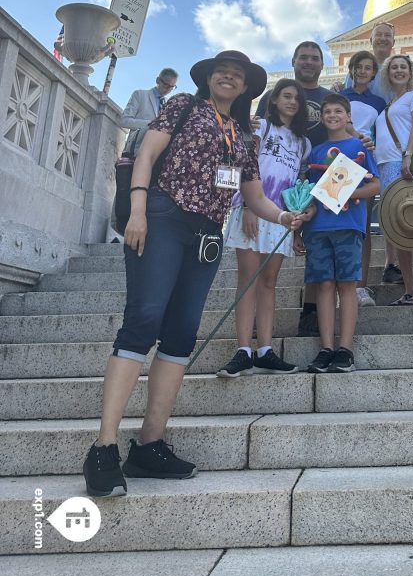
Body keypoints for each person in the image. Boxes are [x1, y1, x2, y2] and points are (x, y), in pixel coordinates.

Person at [82, 51, 306, 498]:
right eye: (223, 70)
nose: (229, 77)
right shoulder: (184, 105)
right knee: (144, 319)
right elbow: (147, 153)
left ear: (245, 88)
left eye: (238, 75)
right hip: (164, 217)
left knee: (182, 333)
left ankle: (150, 443)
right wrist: (139, 211)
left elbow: (254, 195)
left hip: (207, 235)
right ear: (208, 78)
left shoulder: (243, 137)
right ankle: (103, 447)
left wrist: (283, 218)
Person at [218, 79, 311, 376]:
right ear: (273, 100)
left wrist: (296, 228)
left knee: (269, 282)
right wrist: (246, 205)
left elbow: (297, 185)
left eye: (297, 98)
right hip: (252, 207)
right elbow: (242, 164)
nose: (292, 102)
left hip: (281, 214)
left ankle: (265, 349)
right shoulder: (260, 127)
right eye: (286, 96)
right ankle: (243, 349)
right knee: (247, 278)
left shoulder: (303, 143)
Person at [299, 94, 379, 373]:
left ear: (348, 117)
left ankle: (345, 348)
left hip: (348, 225)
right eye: (327, 112)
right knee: (323, 285)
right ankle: (325, 347)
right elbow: (309, 192)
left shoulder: (358, 145)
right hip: (319, 226)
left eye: (338, 111)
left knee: (346, 285)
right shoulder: (316, 151)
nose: (332, 115)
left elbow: (376, 184)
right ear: (322, 118)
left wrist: (349, 192)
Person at [258, 41, 330, 337]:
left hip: (317, 172)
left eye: (315, 58)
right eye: (304, 58)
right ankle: (254, 317)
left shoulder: (328, 96)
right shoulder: (271, 96)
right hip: (276, 181)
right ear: (293, 60)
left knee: (317, 247)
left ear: (322, 64)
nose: (309, 62)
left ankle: (310, 312)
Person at [374, 54, 413, 305]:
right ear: (388, 74)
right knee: (399, 228)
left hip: (407, 162)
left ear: (411, 72)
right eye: (394, 67)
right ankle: (409, 290)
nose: (398, 71)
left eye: (403, 67)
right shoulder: (389, 104)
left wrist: (408, 155)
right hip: (387, 166)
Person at [345, 51, 387, 306]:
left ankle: (361, 286)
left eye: (367, 68)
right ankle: (341, 284)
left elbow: (382, 132)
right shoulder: (339, 96)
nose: (362, 71)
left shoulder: (379, 102)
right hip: (340, 159)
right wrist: (354, 134)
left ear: (373, 73)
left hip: (365, 161)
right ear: (351, 70)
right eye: (358, 67)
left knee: (363, 226)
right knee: (341, 222)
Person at [120, 69, 178, 155]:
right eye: (166, 85)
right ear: (158, 80)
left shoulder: (169, 104)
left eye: (172, 87)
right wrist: (153, 124)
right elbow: (124, 121)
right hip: (136, 151)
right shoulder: (140, 95)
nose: (168, 89)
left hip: (157, 155)